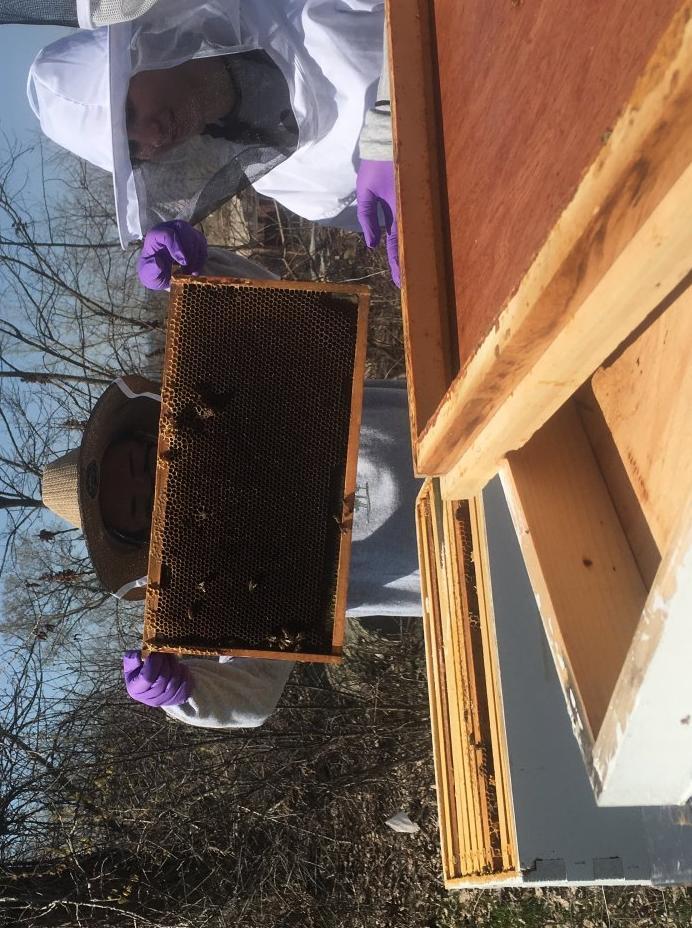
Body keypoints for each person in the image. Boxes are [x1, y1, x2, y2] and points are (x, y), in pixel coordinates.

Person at [41, 374, 422, 729]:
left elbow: (286, 314)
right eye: (144, 508)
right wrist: (183, 694)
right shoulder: (233, 585)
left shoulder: (248, 393)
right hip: (463, 552)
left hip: (462, 410)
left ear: (151, 431)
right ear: (148, 538)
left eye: (143, 463)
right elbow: (253, 697)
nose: (161, 486)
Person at [27, 0, 400, 285]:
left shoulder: (287, 7)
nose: (153, 137)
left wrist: (389, 123)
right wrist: (210, 273)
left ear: (140, 52)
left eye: (128, 113)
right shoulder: (281, 181)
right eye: (132, 149)